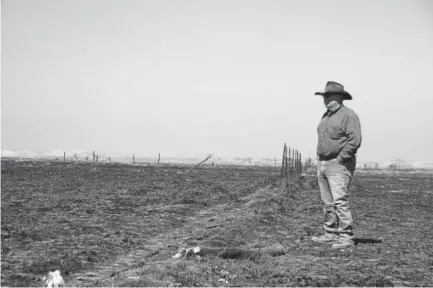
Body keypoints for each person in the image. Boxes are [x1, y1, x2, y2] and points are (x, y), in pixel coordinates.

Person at [311, 81, 362, 249]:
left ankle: (346, 237)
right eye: (324, 96)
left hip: (338, 164)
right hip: (323, 163)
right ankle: (330, 233)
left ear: (339, 98)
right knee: (327, 201)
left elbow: (354, 141)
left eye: (328, 96)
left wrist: (340, 159)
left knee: (339, 200)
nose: (325, 99)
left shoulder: (349, 115)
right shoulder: (325, 116)